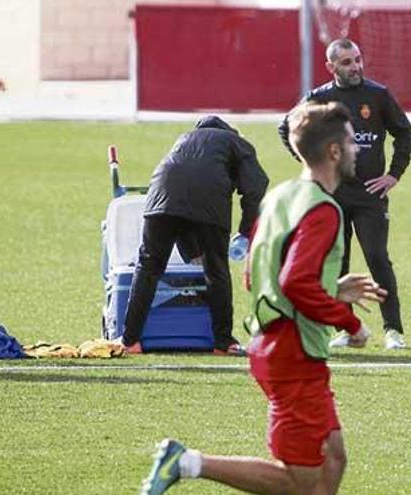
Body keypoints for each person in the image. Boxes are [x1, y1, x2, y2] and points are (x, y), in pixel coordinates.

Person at [139, 101, 388, 495]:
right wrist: (350, 323)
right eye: (352, 142)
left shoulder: (281, 197)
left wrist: (331, 288)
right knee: (298, 482)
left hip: (274, 343)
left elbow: (257, 273)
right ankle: (186, 461)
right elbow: (294, 283)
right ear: (335, 151)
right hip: (294, 354)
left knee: (334, 458)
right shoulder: (323, 210)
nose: (358, 149)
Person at [278, 38, 411, 350]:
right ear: (331, 67)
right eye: (347, 62)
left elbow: (404, 132)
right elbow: (286, 128)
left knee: (378, 258)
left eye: (357, 60)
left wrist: (394, 174)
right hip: (333, 195)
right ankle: (346, 327)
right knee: (335, 260)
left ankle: (393, 329)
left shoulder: (378, 95)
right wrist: (311, 164)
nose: (355, 67)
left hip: (370, 195)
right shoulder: (319, 98)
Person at [119, 116, 269, 356]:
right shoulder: (237, 142)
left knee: (148, 266)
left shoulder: (184, 140)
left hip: (160, 199)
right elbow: (257, 185)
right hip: (208, 203)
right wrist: (245, 231)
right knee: (216, 271)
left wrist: (192, 251)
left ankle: (129, 340)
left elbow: (181, 202)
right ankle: (223, 343)